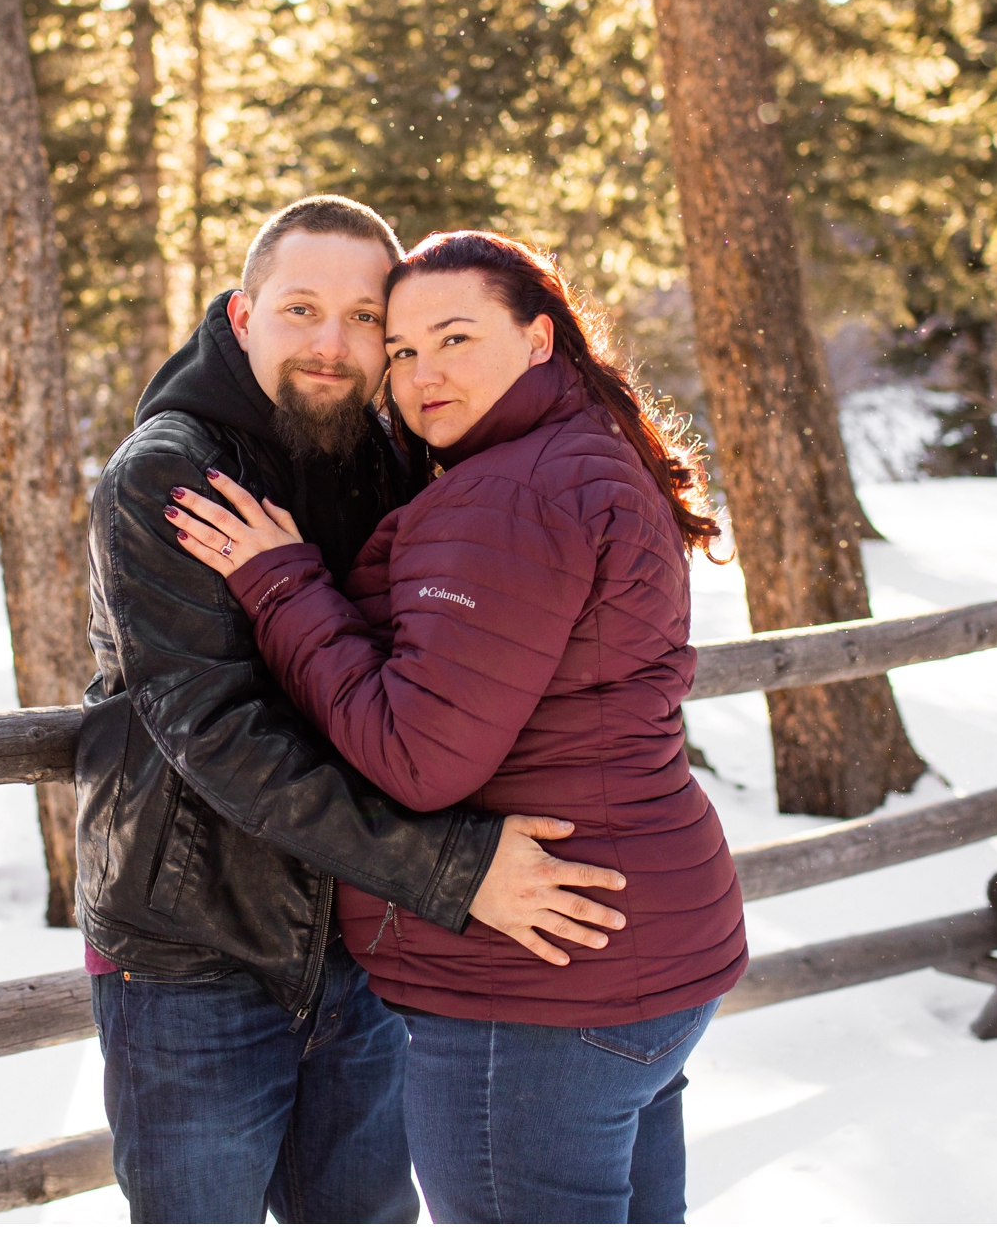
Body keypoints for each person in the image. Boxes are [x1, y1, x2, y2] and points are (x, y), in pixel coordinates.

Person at [166, 230, 749, 1224]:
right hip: (641, 953)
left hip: (536, 988)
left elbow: (417, 756)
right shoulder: (572, 457)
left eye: (454, 336)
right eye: (398, 348)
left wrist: (283, 583)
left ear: (536, 338)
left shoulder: (508, 491)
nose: (420, 371)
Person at [76, 197, 636, 1224]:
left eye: (364, 316)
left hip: (362, 947)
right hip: (194, 956)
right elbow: (218, 736)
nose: (333, 345)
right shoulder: (169, 473)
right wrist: (454, 868)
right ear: (243, 317)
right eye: (300, 309)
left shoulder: (388, 458)